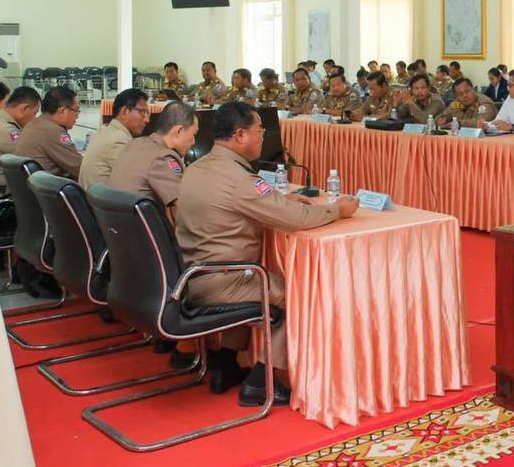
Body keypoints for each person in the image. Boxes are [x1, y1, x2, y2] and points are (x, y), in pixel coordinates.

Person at [176, 102, 359, 405]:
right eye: (259, 130)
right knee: (297, 295)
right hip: (224, 280)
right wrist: (337, 210)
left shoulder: (196, 168)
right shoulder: (240, 180)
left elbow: (246, 206)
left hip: (193, 275)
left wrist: (284, 202)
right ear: (240, 135)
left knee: (255, 281)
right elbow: (295, 219)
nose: (263, 137)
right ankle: (261, 381)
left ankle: (225, 364)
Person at [108, 100, 198, 216]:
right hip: (141, 225)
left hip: (117, 222)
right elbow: (182, 209)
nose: (193, 141)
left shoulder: (135, 143)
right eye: (194, 134)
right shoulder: (163, 158)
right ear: (179, 131)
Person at [80, 88, 149, 189]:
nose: (147, 120)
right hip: (103, 198)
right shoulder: (119, 141)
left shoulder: (104, 130)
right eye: (142, 112)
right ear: (125, 111)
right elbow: (138, 182)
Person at [0, 86, 41, 190]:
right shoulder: (6, 130)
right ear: (24, 108)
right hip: (1, 192)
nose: (35, 118)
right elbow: (35, 157)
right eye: (35, 113)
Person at [13, 86, 83, 179]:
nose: (77, 116)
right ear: (63, 110)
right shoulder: (53, 131)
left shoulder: (35, 124)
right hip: (49, 187)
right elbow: (80, 168)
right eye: (76, 110)